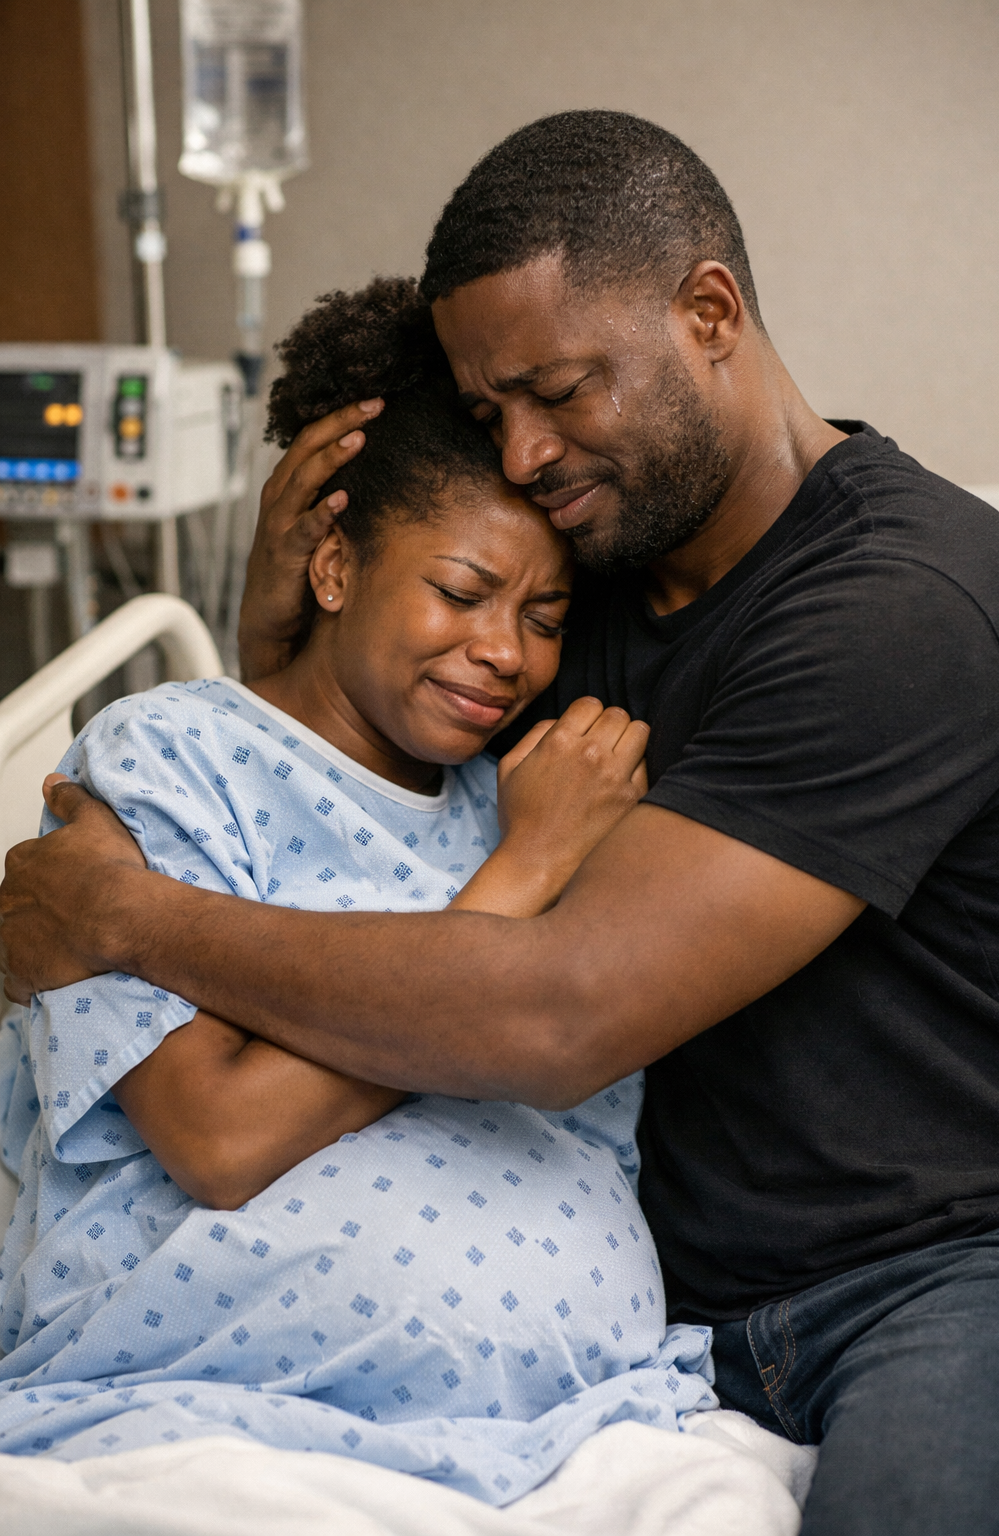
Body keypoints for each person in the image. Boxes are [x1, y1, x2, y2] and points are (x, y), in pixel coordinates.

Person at [3, 111, 999, 1536]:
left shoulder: (906, 608)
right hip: (670, 1322)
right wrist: (279, 662)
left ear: (710, 312)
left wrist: (128, 916)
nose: (530, 453)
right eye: (493, 418)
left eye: (557, 391)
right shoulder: (578, 590)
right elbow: (350, 794)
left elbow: (561, 1015)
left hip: (932, 1272)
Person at [0, 278, 719, 1497]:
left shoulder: (526, 799)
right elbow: (219, 1139)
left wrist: (540, 850)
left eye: (543, 615)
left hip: (581, 1420)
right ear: (332, 565)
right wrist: (523, 877)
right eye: (460, 592)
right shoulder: (169, 763)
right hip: (216, 1396)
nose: (506, 651)